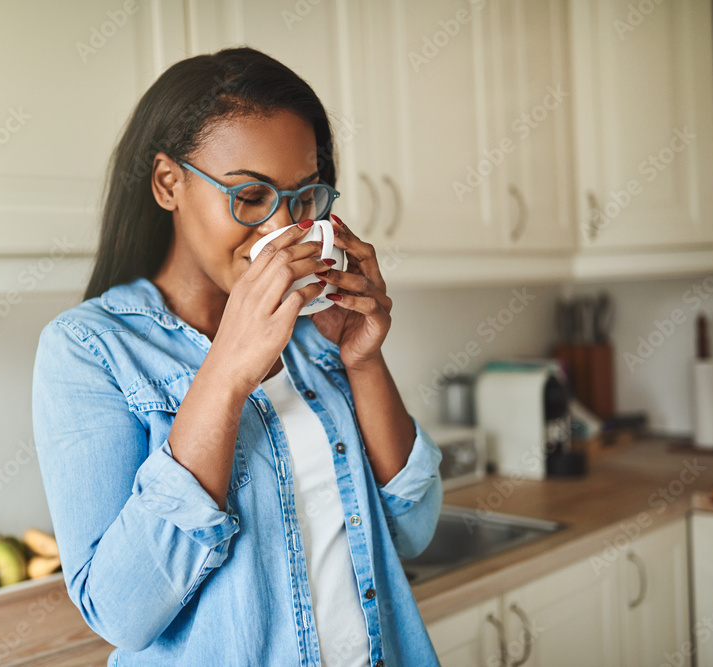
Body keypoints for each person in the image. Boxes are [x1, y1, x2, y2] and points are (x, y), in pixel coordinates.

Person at [31, 47, 442, 666]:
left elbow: (413, 531)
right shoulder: (91, 349)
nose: (282, 229)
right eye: (250, 195)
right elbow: (120, 612)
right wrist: (226, 370)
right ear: (169, 183)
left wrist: (362, 361)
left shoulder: (317, 329)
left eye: (304, 198)